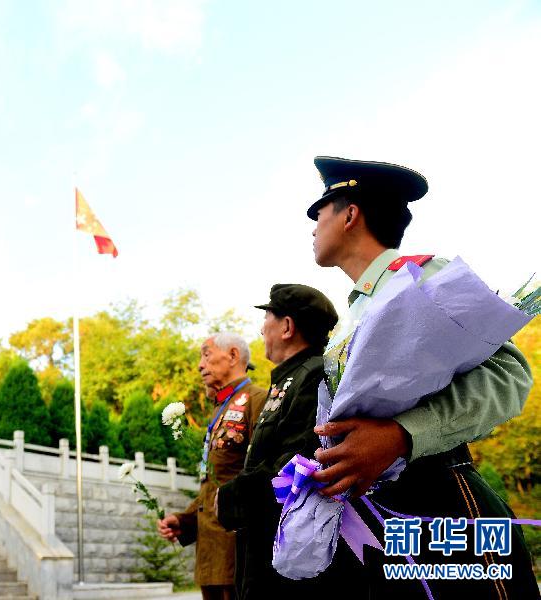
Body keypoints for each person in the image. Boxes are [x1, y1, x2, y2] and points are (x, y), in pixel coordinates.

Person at [306, 156, 537, 598]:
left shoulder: (419, 278)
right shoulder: (351, 312)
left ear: (350, 214)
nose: (313, 226)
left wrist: (402, 434)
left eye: (320, 212)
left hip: (441, 505)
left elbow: (509, 375)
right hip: (380, 515)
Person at [215, 284, 363, 598]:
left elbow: (298, 464)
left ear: (286, 327)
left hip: (288, 554)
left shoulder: (312, 376)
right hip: (267, 542)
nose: (261, 328)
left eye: (267, 317)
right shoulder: (290, 377)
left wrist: (231, 497)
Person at [157, 332, 266, 600]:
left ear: (232, 356)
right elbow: (216, 482)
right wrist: (184, 520)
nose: (200, 365)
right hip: (211, 552)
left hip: (237, 551)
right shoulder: (219, 410)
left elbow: (262, 474)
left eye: (206, 354)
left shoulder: (257, 400)